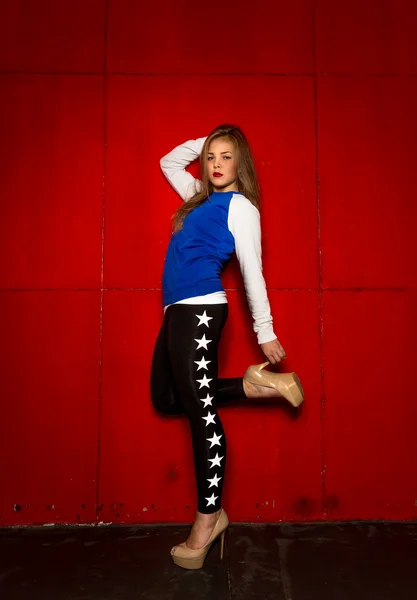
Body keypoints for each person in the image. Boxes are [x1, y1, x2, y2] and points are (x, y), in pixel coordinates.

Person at [150, 124, 304, 570]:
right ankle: (254, 387)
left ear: (241, 164)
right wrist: (211, 137)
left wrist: (265, 330)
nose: (215, 165)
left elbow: (252, 271)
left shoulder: (240, 207)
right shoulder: (199, 195)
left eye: (226, 157)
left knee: (201, 414)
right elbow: (168, 161)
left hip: (201, 311)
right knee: (166, 398)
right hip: (176, 311)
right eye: (212, 157)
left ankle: (208, 517)